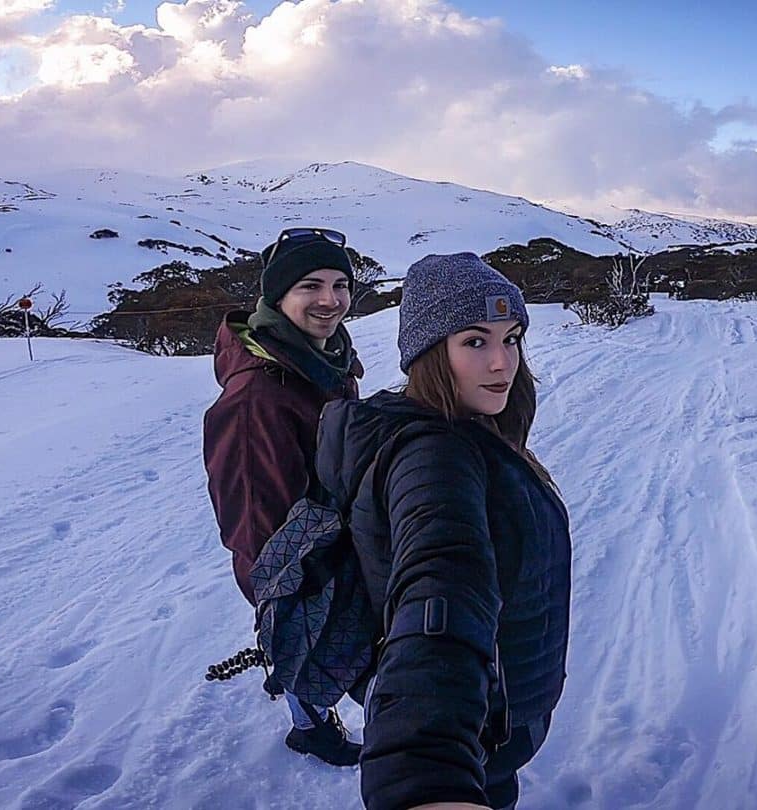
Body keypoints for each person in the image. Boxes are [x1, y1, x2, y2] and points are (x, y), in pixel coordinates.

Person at [316, 253, 572, 810]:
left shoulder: (463, 426)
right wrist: (423, 770)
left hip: (496, 711)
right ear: (431, 352)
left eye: (513, 337)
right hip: (481, 721)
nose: (503, 363)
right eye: (475, 342)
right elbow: (443, 581)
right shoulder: (435, 456)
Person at [202, 227, 364, 766]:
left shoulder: (322, 358)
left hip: (331, 539)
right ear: (276, 297)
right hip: (297, 564)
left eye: (340, 284)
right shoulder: (257, 395)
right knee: (299, 647)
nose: (330, 300)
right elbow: (252, 521)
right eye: (310, 285)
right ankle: (310, 726)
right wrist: (291, 587)